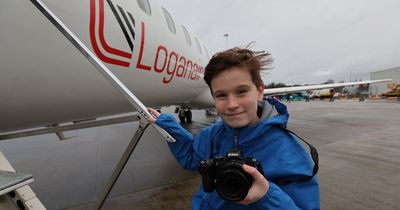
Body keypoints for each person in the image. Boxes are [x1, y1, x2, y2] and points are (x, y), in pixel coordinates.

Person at [148, 46, 320, 210]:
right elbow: (192, 158)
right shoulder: (212, 135)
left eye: (241, 92)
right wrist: (167, 124)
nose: (231, 105)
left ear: (260, 91)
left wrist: (266, 194)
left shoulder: (289, 151)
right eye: (221, 95)